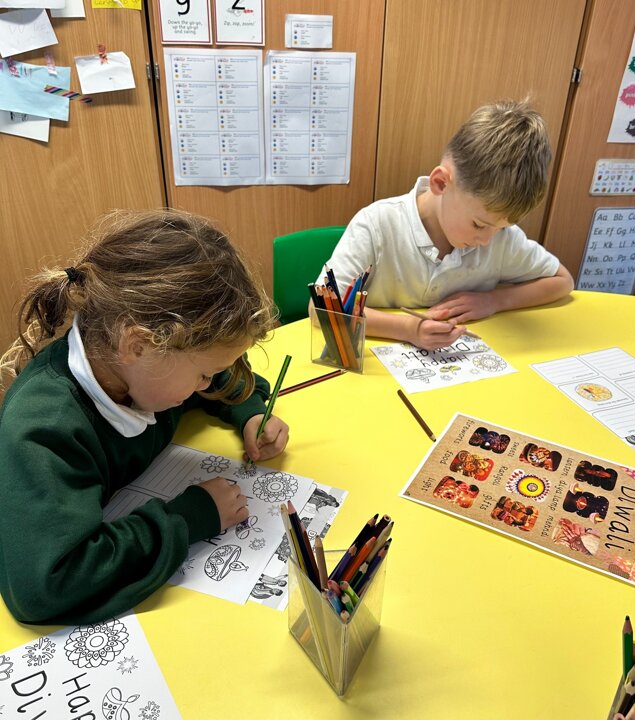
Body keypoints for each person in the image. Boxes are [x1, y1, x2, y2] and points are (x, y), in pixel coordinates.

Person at [0, 209, 289, 625]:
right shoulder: (44, 427)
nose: (207, 384)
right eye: (202, 375)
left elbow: (223, 374)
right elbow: (46, 586)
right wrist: (189, 518)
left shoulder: (144, 368)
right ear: (138, 346)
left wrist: (249, 413)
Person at [317, 99, 574, 350]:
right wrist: (408, 329)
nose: (487, 240)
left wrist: (494, 300)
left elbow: (563, 281)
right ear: (441, 183)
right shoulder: (377, 224)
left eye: (501, 227)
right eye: (478, 225)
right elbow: (322, 308)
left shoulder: (501, 238)